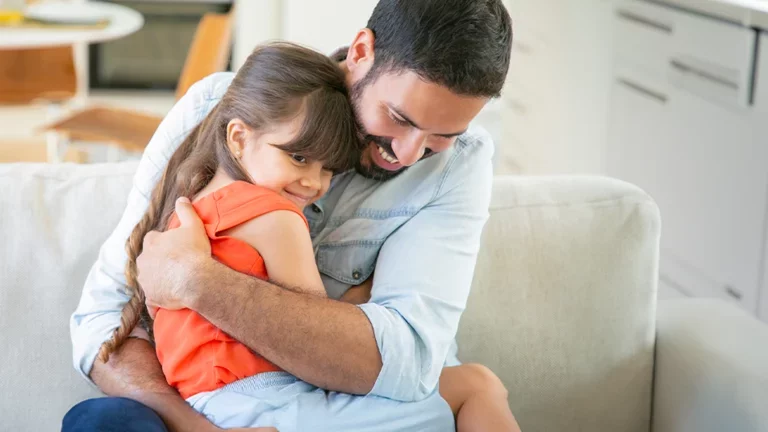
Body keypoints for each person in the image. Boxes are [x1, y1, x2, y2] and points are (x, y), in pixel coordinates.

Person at [67, 0, 517, 430]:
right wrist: (195, 428)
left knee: (470, 390)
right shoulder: (221, 106)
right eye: (398, 117)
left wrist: (197, 281)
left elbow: (406, 360)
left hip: (358, 403)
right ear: (362, 52)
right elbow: (103, 322)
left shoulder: (460, 165)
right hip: (207, 404)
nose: (407, 153)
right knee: (102, 422)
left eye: (442, 135)